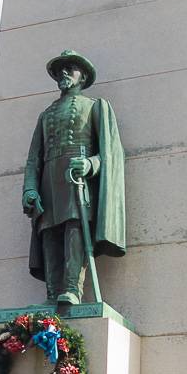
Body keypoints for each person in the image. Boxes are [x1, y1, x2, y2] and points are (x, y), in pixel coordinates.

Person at [22, 49, 125, 304]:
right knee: (48, 233)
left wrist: (90, 164)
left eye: (71, 68)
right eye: (61, 70)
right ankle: (51, 293)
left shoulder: (95, 107)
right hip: (49, 179)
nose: (64, 73)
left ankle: (72, 289)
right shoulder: (45, 115)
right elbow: (34, 158)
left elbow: (110, 153)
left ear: (83, 77)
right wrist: (29, 189)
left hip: (75, 179)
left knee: (74, 229)